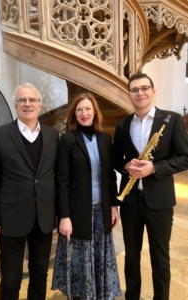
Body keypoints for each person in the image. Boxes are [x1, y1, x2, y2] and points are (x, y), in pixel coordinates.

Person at [112, 72, 188, 300]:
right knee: (131, 257)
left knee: (160, 258)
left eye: (145, 88)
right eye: (134, 90)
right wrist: (126, 165)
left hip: (160, 201)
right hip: (130, 202)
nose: (140, 93)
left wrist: (154, 168)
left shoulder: (171, 120)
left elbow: (185, 157)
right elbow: (115, 159)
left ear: (153, 92)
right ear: (129, 95)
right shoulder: (122, 124)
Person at [0, 83, 59, 300]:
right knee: (11, 277)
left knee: (40, 273)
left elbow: (56, 177)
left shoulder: (52, 135)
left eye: (32, 100)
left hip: (43, 216)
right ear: (15, 106)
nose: (28, 104)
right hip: (11, 217)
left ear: (40, 106)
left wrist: (62, 214)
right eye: (22, 100)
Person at [51, 92, 121, 300]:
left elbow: (110, 176)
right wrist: (64, 216)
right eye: (79, 109)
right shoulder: (68, 139)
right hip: (77, 212)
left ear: (94, 112)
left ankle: (98, 293)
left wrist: (114, 207)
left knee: (99, 254)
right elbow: (61, 180)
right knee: (80, 257)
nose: (84, 113)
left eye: (88, 109)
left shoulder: (104, 138)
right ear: (74, 113)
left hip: (101, 209)